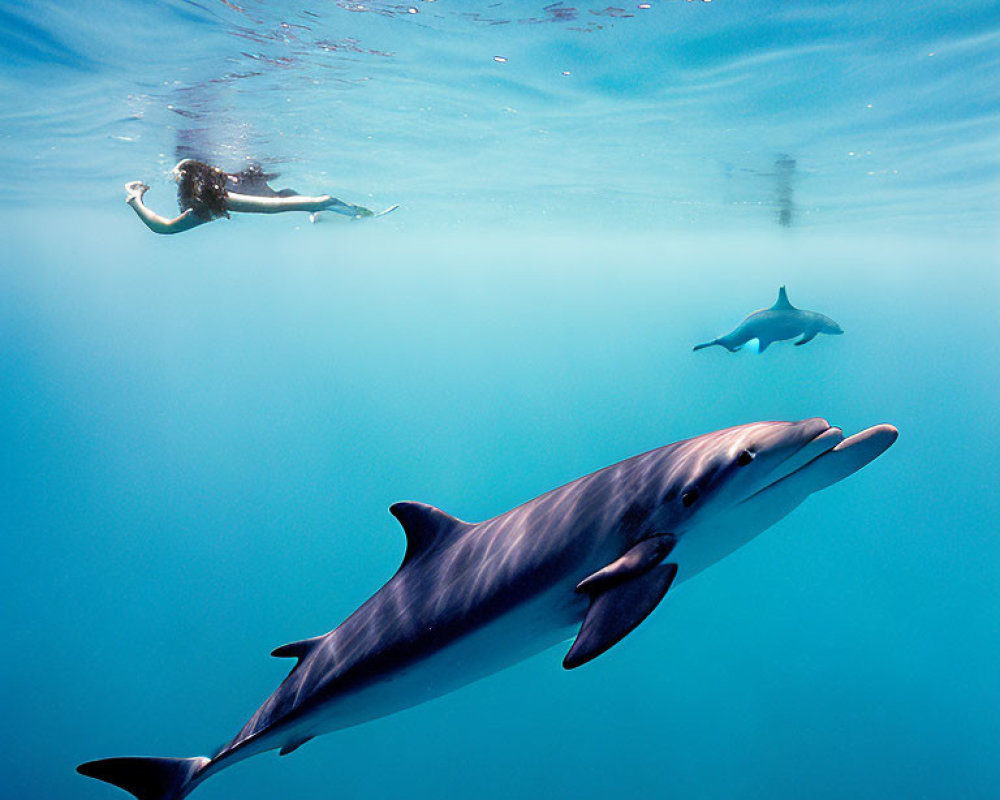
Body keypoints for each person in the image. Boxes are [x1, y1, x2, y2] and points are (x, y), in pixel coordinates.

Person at [125, 159, 391, 234]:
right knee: (308, 200)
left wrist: (136, 199)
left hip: (234, 197)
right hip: (233, 199)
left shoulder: (206, 204)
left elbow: (165, 228)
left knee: (291, 198)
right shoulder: (215, 200)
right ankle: (339, 214)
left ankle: (324, 214)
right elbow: (165, 228)